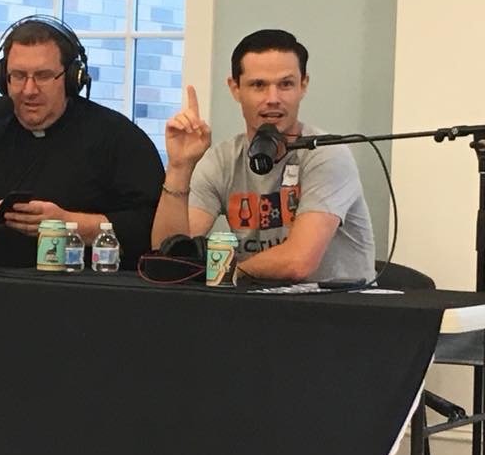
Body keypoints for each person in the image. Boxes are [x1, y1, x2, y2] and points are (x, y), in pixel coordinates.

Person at [0, 16, 164, 269]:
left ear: (71, 79)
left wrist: (67, 223)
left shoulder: (118, 138)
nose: (29, 90)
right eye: (18, 76)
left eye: (43, 76)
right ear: (2, 79)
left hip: (87, 300)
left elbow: (153, 232)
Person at [151, 29, 375, 284]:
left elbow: (298, 262)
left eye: (286, 84)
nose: (273, 99)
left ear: (303, 86)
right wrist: (180, 168)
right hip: (257, 306)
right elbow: (169, 255)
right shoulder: (222, 160)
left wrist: (225, 272)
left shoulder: (327, 154)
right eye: (258, 85)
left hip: (337, 311)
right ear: (235, 89)